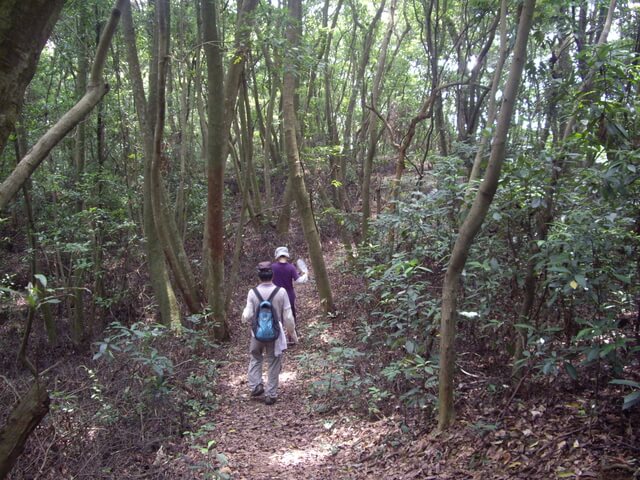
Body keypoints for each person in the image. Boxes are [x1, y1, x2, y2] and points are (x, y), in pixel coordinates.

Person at [242, 261, 297, 405]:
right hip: (275, 333)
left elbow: (246, 315)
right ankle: (271, 394)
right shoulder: (281, 292)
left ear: (259, 276)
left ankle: (256, 385)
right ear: (272, 275)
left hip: (256, 333)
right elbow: (288, 317)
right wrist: (293, 334)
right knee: (273, 361)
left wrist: (247, 316)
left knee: (255, 357)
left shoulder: (252, 293)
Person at [271, 246, 307, 329]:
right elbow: (299, 280)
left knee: (277, 316)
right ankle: (292, 336)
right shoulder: (291, 267)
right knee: (290, 314)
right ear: (286, 255)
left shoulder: (272, 267)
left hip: (276, 295)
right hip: (289, 295)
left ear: (277, 256)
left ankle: (279, 336)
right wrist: (305, 275)